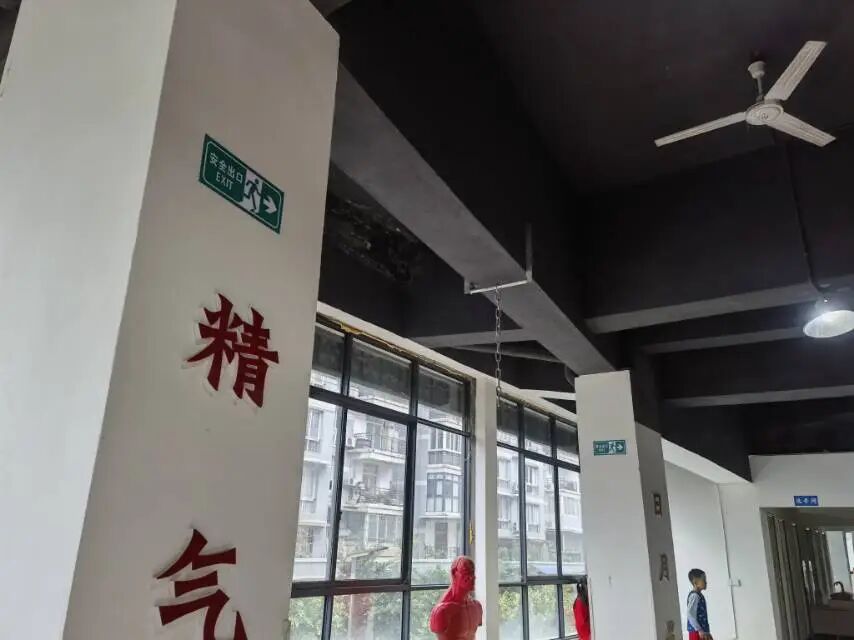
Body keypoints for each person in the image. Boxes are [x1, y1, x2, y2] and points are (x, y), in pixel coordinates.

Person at [429, 556, 483, 640]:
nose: (472, 577)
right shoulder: (442, 611)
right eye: (466, 572)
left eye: (472, 572)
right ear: (454, 574)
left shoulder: (477, 607)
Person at [687, 568, 713, 640]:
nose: (706, 582)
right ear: (695, 582)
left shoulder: (699, 595)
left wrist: (706, 631)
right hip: (697, 632)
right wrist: (699, 630)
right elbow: (690, 614)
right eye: (703, 580)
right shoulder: (694, 596)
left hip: (703, 631)